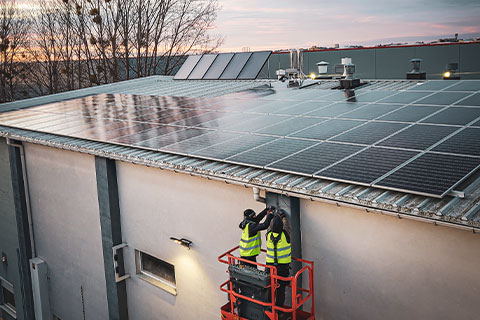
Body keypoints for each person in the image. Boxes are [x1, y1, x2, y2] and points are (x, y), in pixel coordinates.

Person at [266, 211, 291, 308]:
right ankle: (279, 309)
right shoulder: (286, 235)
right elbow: (287, 226)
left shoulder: (268, 235)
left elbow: (268, 227)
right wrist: (283, 217)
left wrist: (271, 215)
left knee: (269, 288)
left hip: (270, 267)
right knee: (281, 290)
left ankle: (268, 307)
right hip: (283, 267)